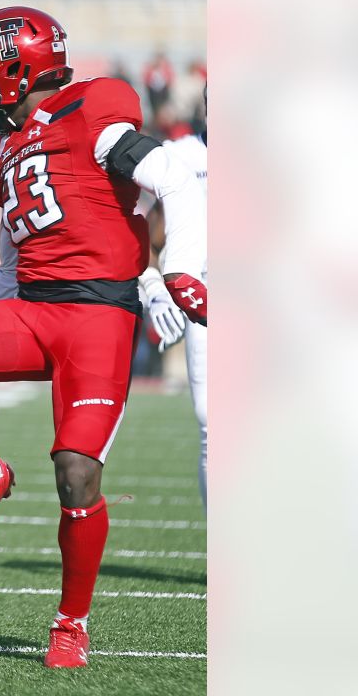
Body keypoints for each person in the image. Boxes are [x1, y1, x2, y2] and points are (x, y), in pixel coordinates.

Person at [0, 7, 207, 667]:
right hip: (33, 308)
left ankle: (70, 624)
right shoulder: (6, 148)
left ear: (15, 66)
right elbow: (12, 266)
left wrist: (180, 271)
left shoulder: (93, 106)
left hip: (98, 320)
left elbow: (168, 175)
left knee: (76, 472)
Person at [138, 96, 207, 509]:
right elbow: (149, 235)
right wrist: (154, 287)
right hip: (205, 298)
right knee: (211, 426)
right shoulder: (180, 156)